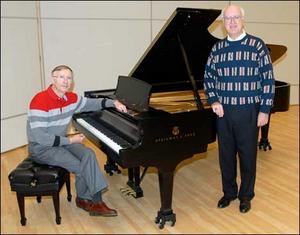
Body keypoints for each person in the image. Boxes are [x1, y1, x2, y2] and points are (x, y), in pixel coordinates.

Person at [27, 65, 127, 217]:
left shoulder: (71, 98)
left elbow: (92, 103)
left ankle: (84, 199)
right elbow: (41, 138)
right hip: (41, 148)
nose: (66, 81)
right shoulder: (40, 100)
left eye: (69, 78)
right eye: (61, 77)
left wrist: (114, 103)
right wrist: (70, 140)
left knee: (88, 154)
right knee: (80, 167)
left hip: (61, 141)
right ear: (53, 79)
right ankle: (94, 201)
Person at [203, 5, 275, 213]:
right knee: (225, 155)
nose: (232, 22)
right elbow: (209, 77)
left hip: (249, 111)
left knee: (247, 156)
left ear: (243, 19)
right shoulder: (217, 49)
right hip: (223, 112)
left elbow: (268, 80)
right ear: (223, 23)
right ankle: (229, 193)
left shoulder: (257, 46)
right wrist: (214, 100)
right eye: (227, 18)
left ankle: (246, 195)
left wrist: (264, 110)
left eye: (236, 18)